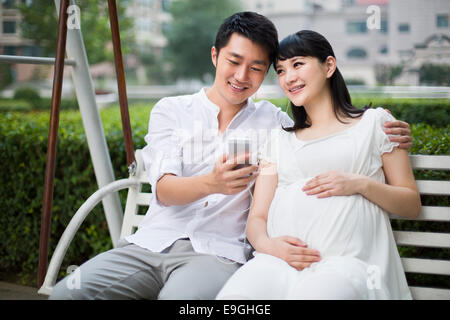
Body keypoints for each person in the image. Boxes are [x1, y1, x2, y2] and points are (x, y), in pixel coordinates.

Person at [50, 13, 412, 300]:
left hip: (217, 254)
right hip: (151, 244)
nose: (242, 76)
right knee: (69, 292)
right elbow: (163, 190)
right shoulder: (171, 110)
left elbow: (318, 135)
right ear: (215, 55)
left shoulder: (274, 123)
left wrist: (381, 129)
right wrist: (213, 183)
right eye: (234, 61)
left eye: (257, 68)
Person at [216, 30, 421, 300]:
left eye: (298, 64)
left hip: (348, 265)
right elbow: (257, 218)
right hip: (278, 263)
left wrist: (359, 184)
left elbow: (410, 204)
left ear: (329, 66)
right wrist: (269, 246)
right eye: (280, 70)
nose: (288, 78)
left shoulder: (375, 124)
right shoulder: (277, 140)